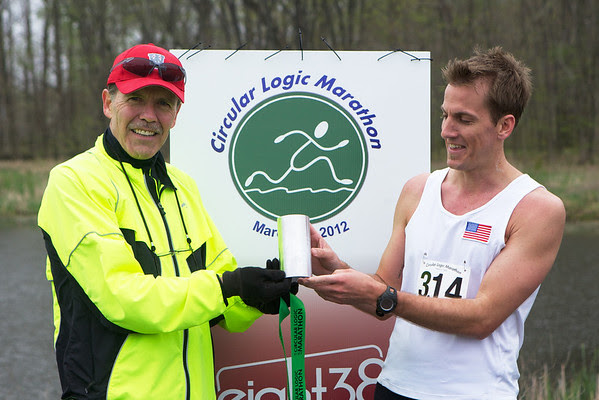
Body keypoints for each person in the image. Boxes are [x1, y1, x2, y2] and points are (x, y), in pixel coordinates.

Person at [300, 46, 566, 399]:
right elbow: (384, 293)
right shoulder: (417, 190)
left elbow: (481, 318)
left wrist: (383, 296)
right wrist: (339, 272)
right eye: (444, 115)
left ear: (505, 125)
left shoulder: (536, 209)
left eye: (464, 119)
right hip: (394, 387)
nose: (446, 131)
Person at [38, 43, 294, 400]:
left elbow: (220, 297)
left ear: (176, 114)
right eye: (136, 99)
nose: (149, 115)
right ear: (108, 103)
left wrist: (253, 298)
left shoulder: (183, 185)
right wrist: (229, 286)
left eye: (163, 103)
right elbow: (123, 298)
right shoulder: (74, 182)